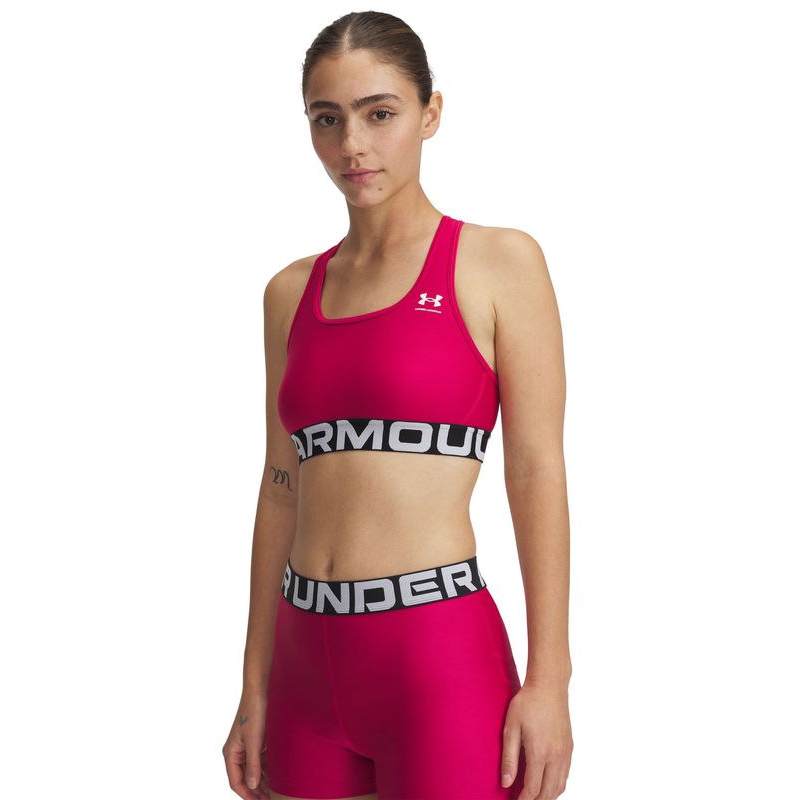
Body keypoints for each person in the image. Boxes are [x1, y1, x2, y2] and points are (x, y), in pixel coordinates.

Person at [223, 10, 573, 800]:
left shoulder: (499, 263)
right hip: (303, 665)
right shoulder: (288, 293)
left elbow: (536, 471)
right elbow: (280, 486)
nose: (352, 144)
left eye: (379, 114)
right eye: (327, 119)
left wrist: (550, 679)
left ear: (430, 113)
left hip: (435, 658)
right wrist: (254, 684)